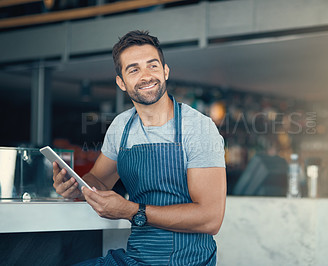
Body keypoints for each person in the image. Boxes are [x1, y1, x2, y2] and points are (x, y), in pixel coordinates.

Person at [52, 30, 226, 265]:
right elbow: (99, 180)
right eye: (134, 69)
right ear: (121, 82)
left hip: (188, 260)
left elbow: (210, 219)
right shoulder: (122, 126)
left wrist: (131, 211)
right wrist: (78, 187)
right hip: (136, 257)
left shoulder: (198, 127)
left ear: (165, 71)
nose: (146, 76)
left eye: (152, 66)